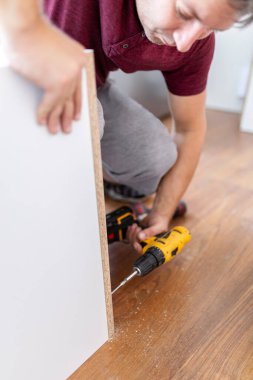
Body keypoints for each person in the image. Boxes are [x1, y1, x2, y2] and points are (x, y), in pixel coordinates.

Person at [1, 0, 253, 252]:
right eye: (184, 13)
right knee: (85, 123)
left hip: (88, 84)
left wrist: (161, 215)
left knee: (155, 157)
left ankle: (104, 181)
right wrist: (27, 29)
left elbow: (190, 130)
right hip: (16, 63)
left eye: (211, 29)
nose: (186, 41)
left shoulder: (194, 45)